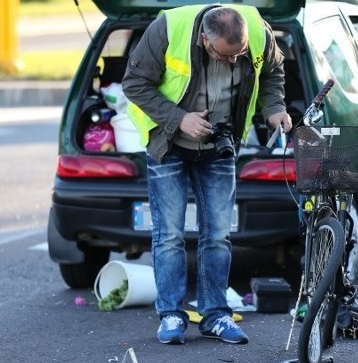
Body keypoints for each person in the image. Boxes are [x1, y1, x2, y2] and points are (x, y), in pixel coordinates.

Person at [122, 4, 292, 345]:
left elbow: (272, 72)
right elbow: (134, 83)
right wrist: (179, 119)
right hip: (169, 141)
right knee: (169, 234)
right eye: (224, 56)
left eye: (238, 55)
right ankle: (171, 314)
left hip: (220, 143)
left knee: (217, 234)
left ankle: (216, 315)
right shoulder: (168, 29)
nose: (233, 62)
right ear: (204, 39)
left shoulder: (256, 29)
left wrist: (274, 110)